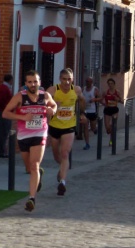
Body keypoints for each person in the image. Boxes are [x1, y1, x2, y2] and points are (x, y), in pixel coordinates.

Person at [2, 70, 57, 211]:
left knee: (34, 165)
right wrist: (23, 117)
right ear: (26, 84)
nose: (33, 84)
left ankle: (31, 199)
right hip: (23, 136)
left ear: (40, 82)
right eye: (30, 82)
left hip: (40, 133)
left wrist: (53, 110)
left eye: (35, 81)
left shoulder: (45, 95)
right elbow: (5, 113)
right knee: (29, 168)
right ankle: (38, 174)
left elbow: (53, 105)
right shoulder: (20, 97)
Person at [46, 68, 85, 196]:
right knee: (57, 156)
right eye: (64, 79)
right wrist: (51, 105)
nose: (67, 82)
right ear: (60, 79)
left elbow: (82, 101)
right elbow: (43, 103)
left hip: (69, 125)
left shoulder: (76, 90)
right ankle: (62, 170)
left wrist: (82, 113)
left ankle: (62, 182)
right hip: (55, 126)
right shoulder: (53, 90)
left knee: (65, 153)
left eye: (69, 79)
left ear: (72, 79)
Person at [0, 74, 13, 158]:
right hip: (4, 112)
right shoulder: (4, 88)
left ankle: (2, 151)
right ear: (10, 80)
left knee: (4, 132)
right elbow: (0, 101)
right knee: (3, 132)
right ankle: (1, 152)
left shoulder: (6, 88)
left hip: (4, 111)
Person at [81, 77, 101, 150]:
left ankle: (95, 130)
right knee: (85, 128)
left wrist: (94, 99)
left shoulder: (95, 89)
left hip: (92, 111)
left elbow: (100, 98)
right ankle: (87, 144)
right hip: (85, 111)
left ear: (92, 82)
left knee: (93, 128)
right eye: (86, 81)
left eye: (89, 81)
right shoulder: (83, 89)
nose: (87, 82)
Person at [101, 78, 123, 145]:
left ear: (114, 84)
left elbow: (122, 101)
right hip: (107, 109)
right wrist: (104, 104)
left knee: (113, 125)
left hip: (114, 110)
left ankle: (111, 140)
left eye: (111, 84)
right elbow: (101, 100)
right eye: (109, 84)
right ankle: (109, 130)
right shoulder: (105, 92)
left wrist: (117, 99)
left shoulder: (117, 92)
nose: (110, 85)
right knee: (107, 128)